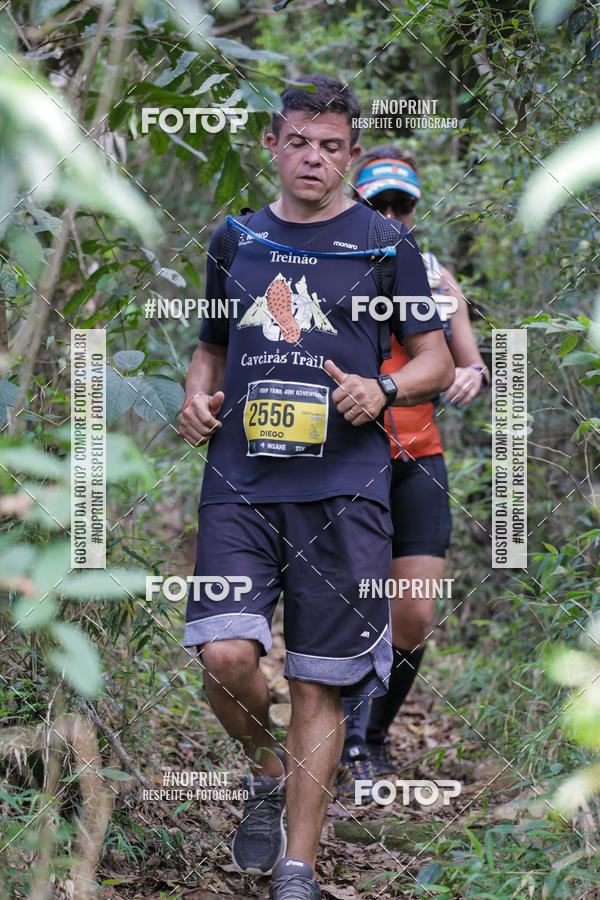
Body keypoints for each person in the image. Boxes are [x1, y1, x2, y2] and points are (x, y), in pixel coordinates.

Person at [179, 80, 454, 898]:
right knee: (227, 654)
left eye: (331, 147)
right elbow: (211, 349)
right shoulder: (234, 239)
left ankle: (296, 867)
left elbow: (435, 358)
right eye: (300, 141)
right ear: (273, 144)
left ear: (351, 154)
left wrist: (387, 390)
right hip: (241, 479)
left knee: (317, 678)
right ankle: (267, 769)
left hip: (347, 485)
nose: (314, 158)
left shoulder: (384, 243)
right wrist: (197, 398)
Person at [336, 146, 489, 800]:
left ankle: (372, 735)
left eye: (403, 205)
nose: (393, 215)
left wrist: (472, 377)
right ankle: (340, 733)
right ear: (361, 204)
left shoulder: (436, 275)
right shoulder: (333, 266)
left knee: (414, 616)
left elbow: (471, 365)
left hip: (419, 458)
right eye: (381, 204)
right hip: (345, 461)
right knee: (345, 607)